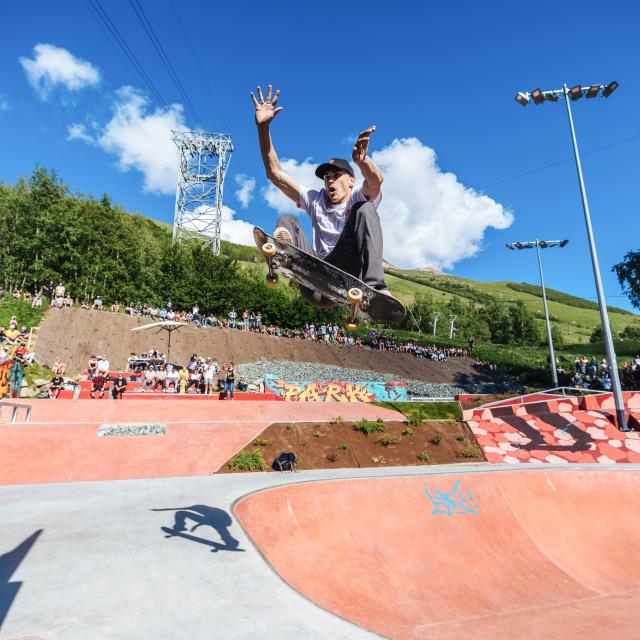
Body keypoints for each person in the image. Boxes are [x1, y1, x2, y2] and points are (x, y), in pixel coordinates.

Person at [251, 83, 393, 306]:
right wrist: (263, 129)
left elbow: (376, 182)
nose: (330, 180)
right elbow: (275, 174)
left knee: (365, 210)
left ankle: (376, 290)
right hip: (316, 283)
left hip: (348, 280)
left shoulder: (358, 196)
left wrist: (362, 161)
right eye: (326, 177)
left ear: (351, 181)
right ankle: (282, 257)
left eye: (336, 175)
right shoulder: (316, 199)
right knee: (287, 220)